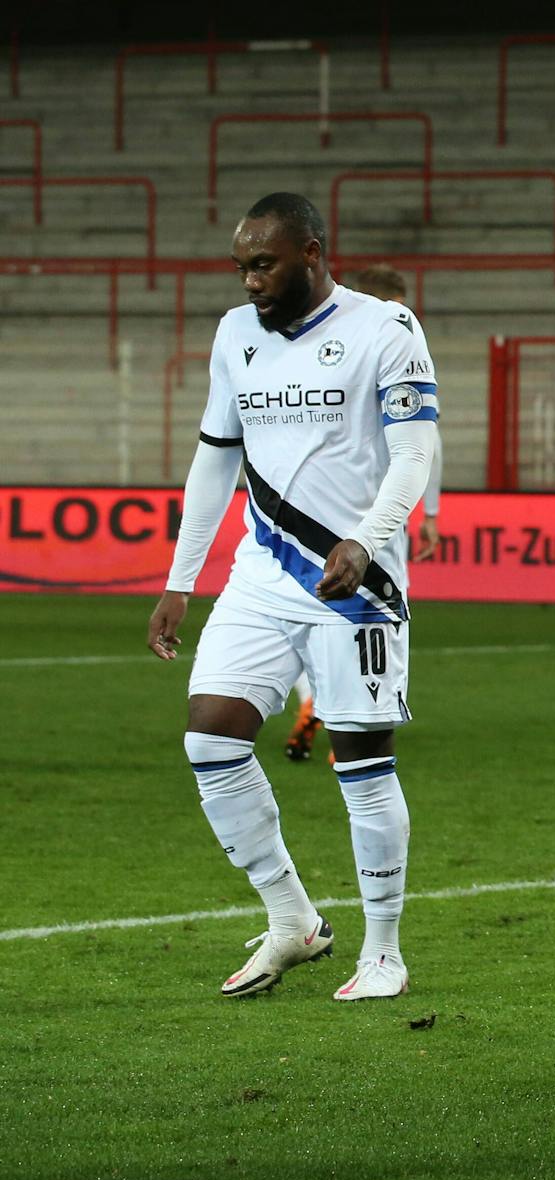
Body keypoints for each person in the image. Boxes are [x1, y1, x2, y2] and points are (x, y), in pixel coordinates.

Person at [146, 191, 440, 1002]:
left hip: (356, 586)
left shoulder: (386, 328)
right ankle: (293, 919)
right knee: (211, 738)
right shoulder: (235, 335)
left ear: (312, 253)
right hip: (260, 576)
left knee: (363, 767)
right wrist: (181, 578)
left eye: (263, 263)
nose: (248, 281)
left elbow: (416, 452)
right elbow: (214, 459)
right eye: (241, 265)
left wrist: (368, 540)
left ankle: (383, 951)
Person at [284, 263, 442, 763]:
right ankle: (345, 723)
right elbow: (424, 449)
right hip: (372, 530)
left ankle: (315, 704)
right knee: (356, 621)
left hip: (304, 523)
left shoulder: (324, 360)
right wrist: (430, 513)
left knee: (307, 618)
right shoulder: (397, 350)